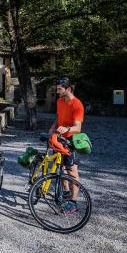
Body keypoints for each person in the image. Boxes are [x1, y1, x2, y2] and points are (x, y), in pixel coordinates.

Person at [49, 77, 85, 214]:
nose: (57, 91)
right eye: (57, 88)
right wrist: (53, 126)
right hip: (58, 140)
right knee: (60, 167)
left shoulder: (77, 105)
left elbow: (78, 128)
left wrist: (67, 129)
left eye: (60, 89)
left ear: (68, 89)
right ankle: (65, 193)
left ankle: (73, 202)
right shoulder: (59, 101)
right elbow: (59, 117)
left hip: (70, 141)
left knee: (72, 171)